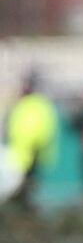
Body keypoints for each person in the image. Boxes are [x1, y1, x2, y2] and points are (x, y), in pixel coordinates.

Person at [3, 73, 59, 209]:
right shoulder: (21, 104)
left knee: (27, 184)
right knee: (17, 183)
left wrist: (38, 145)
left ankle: (25, 209)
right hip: (18, 153)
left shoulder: (38, 105)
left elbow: (44, 129)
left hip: (32, 152)